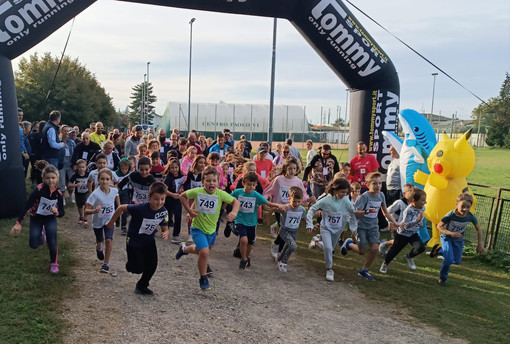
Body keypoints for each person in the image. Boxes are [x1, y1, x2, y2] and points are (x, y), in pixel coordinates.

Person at [176, 166, 240, 291]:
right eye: (208, 181)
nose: (211, 183)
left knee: (202, 250)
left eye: (214, 181)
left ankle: (184, 249)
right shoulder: (198, 191)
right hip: (197, 228)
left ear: (218, 181)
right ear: (203, 181)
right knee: (205, 252)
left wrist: (235, 213)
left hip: (211, 231)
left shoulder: (220, 194)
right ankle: (203, 277)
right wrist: (189, 210)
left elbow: (235, 202)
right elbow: (182, 196)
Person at [106, 182, 169, 295]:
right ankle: (130, 265)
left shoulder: (163, 211)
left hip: (149, 240)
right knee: (137, 268)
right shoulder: (140, 208)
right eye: (156, 199)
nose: (159, 202)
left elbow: (165, 226)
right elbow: (121, 208)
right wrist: (111, 223)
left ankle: (142, 285)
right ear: (149, 197)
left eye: (162, 199)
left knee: (152, 265)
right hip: (134, 241)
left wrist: (166, 232)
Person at [341, 172, 399, 281]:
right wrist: (366, 212)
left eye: (380, 183)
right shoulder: (364, 197)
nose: (378, 186)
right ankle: (349, 244)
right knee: (362, 251)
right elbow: (356, 213)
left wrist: (394, 223)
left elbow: (385, 212)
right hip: (362, 226)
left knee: (375, 248)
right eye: (374, 183)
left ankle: (364, 270)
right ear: (368, 185)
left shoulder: (381, 195)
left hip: (373, 226)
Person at [10, 165, 65, 274]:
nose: (50, 180)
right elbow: (27, 206)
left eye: (53, 178)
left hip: (50, 219)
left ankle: (54, 263)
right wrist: (18, 223)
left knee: (52, 242)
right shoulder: (38, 190)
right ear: (43, 178)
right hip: (36, 218)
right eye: (47, 178)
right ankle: (41, 235)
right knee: (33, 245)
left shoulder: (58, 194)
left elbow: (62, 212)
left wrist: (57, 212)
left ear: (57, 178)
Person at [231, 172, 286, 269]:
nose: (251, 187)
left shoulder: (255, 195)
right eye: (249, 185)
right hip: (240, 221)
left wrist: (279, 205)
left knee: (250, 243)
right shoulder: (237, 193)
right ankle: (243, 258)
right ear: (244, 183)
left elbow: (268, 203)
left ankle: (247, 257)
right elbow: (228, 199)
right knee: (243, 239)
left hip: (252, 222)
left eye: (253, 185)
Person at [306, 178, 357, 281]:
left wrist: (353, 228)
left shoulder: (346, 201)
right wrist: (309, 224)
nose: (344, 194)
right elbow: (312, 209)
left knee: (330, 248)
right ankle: (329, 270)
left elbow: (353, 213)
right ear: (334, 190)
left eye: (346, 193)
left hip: (338, 229)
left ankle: (316, 242)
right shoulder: (326, 200)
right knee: (328, 248)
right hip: (326, 228)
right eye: (342, 192)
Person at [264, 157, 313, 258]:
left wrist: (308, 200)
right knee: (284, 230)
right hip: (280, 209)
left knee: (285, 232)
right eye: (290, 168)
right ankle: (277, 248)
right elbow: (268, 191)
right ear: (285, 168)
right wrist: (264, 202)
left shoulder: (298, 181)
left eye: (294, 169)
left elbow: (303, 196)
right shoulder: (279, 180)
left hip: (292, 210)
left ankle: (277, 248)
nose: (292, 171)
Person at [434, 193, 484, 287]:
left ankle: (439, 251)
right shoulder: (450, 215)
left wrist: (480, 244)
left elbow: (478, 229)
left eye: (468, 207)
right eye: (463, 206)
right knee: (448, 260)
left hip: (458, 241)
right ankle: (443, 278)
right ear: (456, 205)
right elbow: (439, 226)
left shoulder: (470, 216)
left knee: (456, 261)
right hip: (447, 238)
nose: (465, 209)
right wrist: (451, 233)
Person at [379, 188, 427, 274]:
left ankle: (409, 256)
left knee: (421, 247)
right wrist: (417, 221)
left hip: (413, 233)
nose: (425, 202)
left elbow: (420, 217)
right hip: (403, 234)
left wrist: (420, 222)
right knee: (394, 251)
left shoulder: (422, 208)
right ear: (414, 201)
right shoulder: (408, 210)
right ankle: (385, 264)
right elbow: (406, 226)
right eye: (423, 200)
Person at [85, 168, 120, 274]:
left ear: (111, 180)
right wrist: (95, 211)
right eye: (102, 179)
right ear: (98, 179)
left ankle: (106, 264)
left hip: (110, 220)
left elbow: (117, 200)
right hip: (98, 222)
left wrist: (119, 209)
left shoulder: (114, 191)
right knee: (99, 239)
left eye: (107, 179)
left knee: (109, 240)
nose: (105, 181)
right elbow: (86, 211)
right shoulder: (95, 194)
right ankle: (99, 247)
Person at [275, 186, 307, 273]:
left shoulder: (302, 210)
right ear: (289, 199)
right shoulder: (286, 208)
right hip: (284, 231)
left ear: (301, 200)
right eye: (294, 201)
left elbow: (303, 219)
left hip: (294, 231)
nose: (296, 204)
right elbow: (274, 209)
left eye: (298, 202)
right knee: (293, 247)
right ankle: (284, 262)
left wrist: (310, 226)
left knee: (288, 245)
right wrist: (269, 215)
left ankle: (280, 258)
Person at [379, 183, 415, 258]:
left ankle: (386, 244)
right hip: (396, 225)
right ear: (404, 193)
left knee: (399, 242)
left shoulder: (412, 204)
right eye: (410, 192)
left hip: (404, 226)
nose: (412, 194)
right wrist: (390, 222)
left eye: (413, 192)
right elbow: (387, 211)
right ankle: (387, 252)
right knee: (397, 242)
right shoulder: (399, 203)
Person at [163, 158, 185, 244]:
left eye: (176, 167)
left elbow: (183, 184)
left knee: (178, 215)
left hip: (178, 199)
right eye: (172, 168)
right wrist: (172, 194)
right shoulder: (169, 177)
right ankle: (165, 230)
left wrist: (181, 189)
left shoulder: (181, 175)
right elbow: (165, 189)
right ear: (169, 168)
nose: (174, 169)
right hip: (169, 198)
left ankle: (176, 234)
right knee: (166, 215)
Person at [68, 159, 90, 226]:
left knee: (87, 204)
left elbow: (92, 182)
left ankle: (85, 218)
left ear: (86, 167)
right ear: (77, 167)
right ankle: (81, 217)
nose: (81, 169)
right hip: (78, 193)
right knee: (80, 206)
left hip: (86, 192)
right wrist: (76, 185)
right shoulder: (75, 175)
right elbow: (69, 185)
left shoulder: (88, 174)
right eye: (80, 167)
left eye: (83, 167)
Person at [59, 125, 76, 203]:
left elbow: (75, 153)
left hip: (70, 164)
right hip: (62, 164)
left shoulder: (72, 142)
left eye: (67, 131)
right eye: (64, 131)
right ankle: (62, 198)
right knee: (62, 182)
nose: (66, 133)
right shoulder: (58, 141)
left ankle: (70, 195)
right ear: (61, 132)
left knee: (71, 180)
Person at [115, 158, 132, 234]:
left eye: (126, 169)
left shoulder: (130, 174)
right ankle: (117, 219)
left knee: (125, 208)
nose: (124, 170)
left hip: (125, 193)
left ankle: (124, 225)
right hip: (117, 194)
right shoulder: (115, 174)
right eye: (122, 169)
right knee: (116, 207)